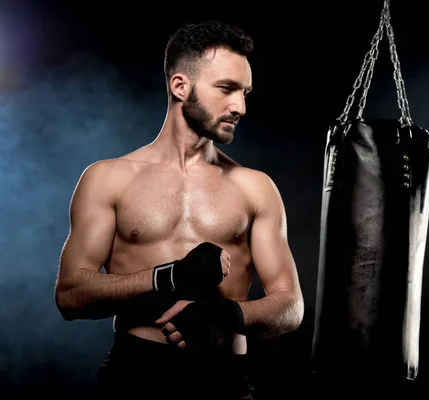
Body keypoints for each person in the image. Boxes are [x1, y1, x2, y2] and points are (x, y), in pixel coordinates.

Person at [54, 20, 304, 399]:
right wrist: (167, 277)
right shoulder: (109, 179)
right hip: (136, 373)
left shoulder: (255, 187)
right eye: (226, 89)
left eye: (245, 92)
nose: (240, 106)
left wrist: (228, 316)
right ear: (180, 86)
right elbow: (71, 295)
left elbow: (290, 306)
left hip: (224, 380)